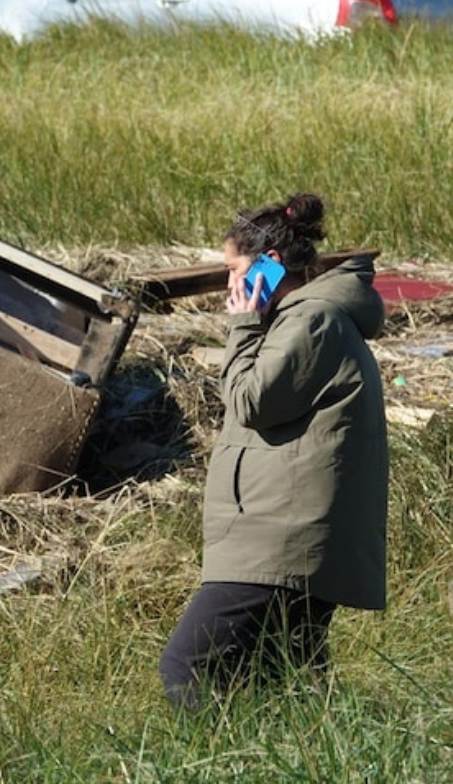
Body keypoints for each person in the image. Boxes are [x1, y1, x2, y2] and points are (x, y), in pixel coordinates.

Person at [158, 191, 389, 712]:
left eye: (235, 269)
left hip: (283, 541)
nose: (229, 285)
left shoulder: (311, 322)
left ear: (270, 264)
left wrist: (242, 326)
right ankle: (321, 783)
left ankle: (217, 777)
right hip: (283, 537)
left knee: (187, 664)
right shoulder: (297, 319)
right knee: (283, 687)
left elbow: (250, 401)